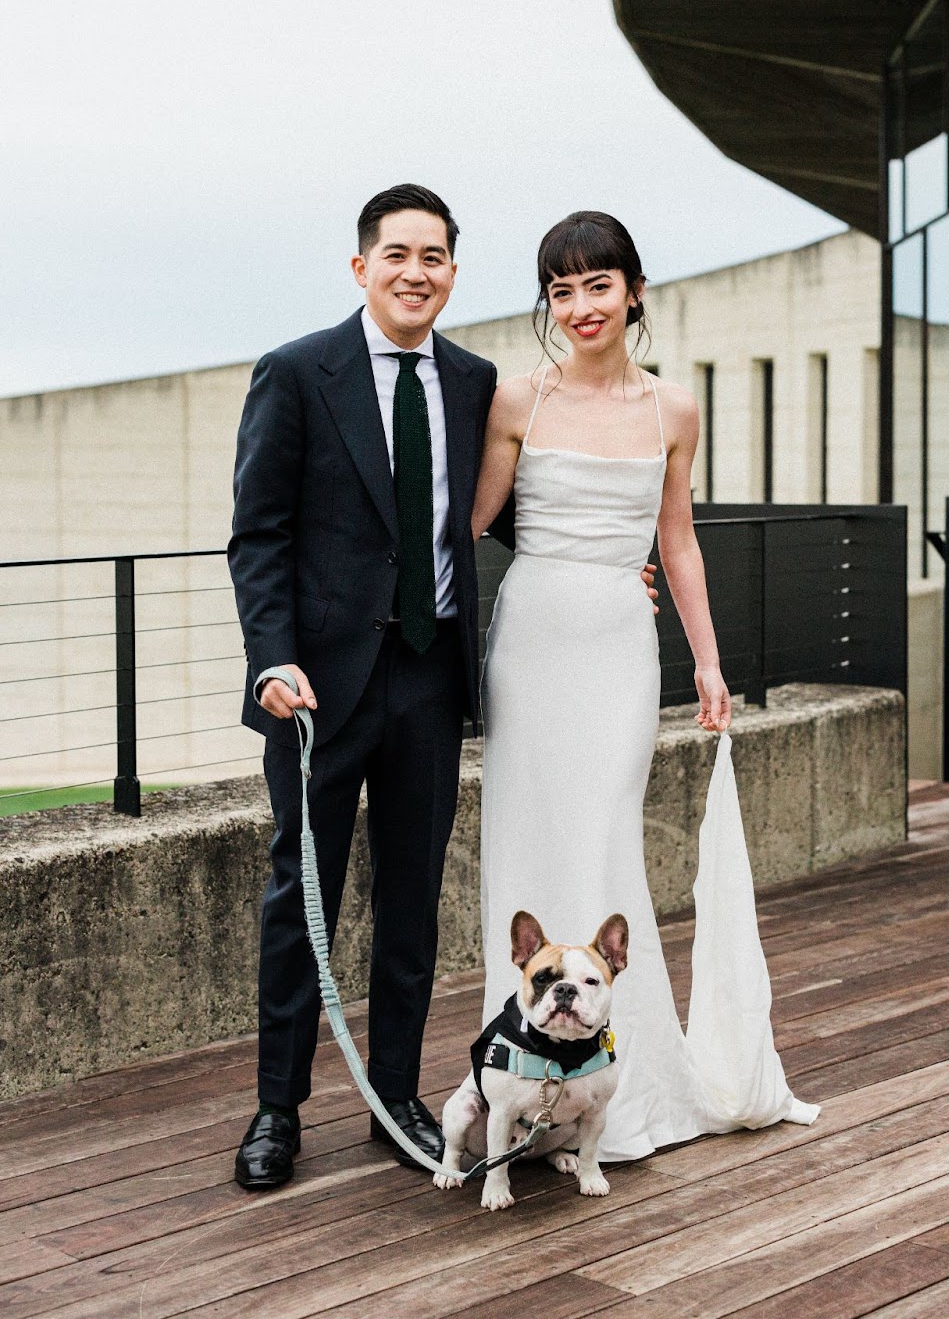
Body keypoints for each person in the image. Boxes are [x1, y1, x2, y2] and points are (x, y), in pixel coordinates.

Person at [470, 210, 818, 1161]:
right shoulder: (516, 402)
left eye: (597, 284)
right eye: (561, 290)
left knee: (608, 843)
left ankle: (618, 1088)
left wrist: (706, 660)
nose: (581, 306)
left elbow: (678, 543)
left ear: (633, 290)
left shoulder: (674, 410)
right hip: (531, 645)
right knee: (532, 847)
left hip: (623, 652)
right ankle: (527, 1086)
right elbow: (467, 525)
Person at [228, 183, 506, 1186]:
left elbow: (500, 503)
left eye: (434, 256)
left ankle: (396, 1096)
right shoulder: (298, 372)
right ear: (362, 267)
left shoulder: (474, 382)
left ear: (452, 273)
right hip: (318, 690)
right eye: (397, 254)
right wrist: (272, 655)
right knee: (300, 900)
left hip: (428, 681)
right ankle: (276, 1110)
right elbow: (257, 534)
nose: (415, 271)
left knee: (412, 904)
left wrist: (607, 559)